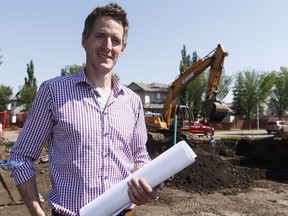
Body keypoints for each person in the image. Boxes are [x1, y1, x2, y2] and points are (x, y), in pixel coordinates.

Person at [9, 3, 164, 216]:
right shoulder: (53, 92)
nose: (108, 46)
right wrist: (38, 213)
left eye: (116, 41)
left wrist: (148, 184)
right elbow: (21, 158)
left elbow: (139, 157)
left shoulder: (132, 101)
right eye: (100, 36)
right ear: (84, 40)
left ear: (123, 49)